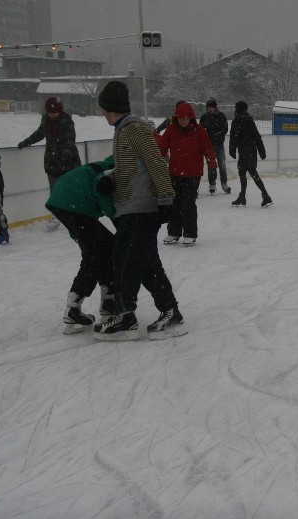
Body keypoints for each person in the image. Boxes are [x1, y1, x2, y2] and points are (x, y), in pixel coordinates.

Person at [94, 79, 186, 341]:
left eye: (102, 108)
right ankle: (171, 312)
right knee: (146, 264)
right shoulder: (124, 129)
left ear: (109, 108)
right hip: (131, 206)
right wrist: (110, 178)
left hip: (140, 208)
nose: (101, 113)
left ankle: (125, 315)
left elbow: (155, 162)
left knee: (125, 260)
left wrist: (167, 201)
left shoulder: (133, 129)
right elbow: (133, 167)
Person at [45, 156, 117, 334]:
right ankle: (78, 307)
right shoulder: (118, 167)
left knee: (104, 247)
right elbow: (103, 191)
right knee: (97, 255)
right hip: (74, 203)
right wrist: (120, 222)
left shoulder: (114, 161)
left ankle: (104, 300)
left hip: (64, 198)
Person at [157, 102, 218, 246]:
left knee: (188, 203)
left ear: (191, 118)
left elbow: (207, 148)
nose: (183, 120)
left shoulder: (200, 131)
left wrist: (212, 163)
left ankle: (190, 233)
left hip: (192, 173)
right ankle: (174, 232)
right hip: (175, 172)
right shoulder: (171, 130)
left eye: (186, 118)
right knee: (175, 203)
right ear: (176, 118)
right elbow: (162, 146)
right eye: (180, 118)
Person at [17, 96, 82, 232]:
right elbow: (40, 133)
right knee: (54, 190)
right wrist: (26, 142)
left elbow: (70, 141)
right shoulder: (45, 119)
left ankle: (77, 213)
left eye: (54, 112)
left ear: (59, 111)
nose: (52, 114)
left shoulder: (67, 121)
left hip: (69, 162)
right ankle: (57, 216)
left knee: (72, 188)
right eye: (49, 112)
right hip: (51, 162)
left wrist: (65, 159)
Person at [229, 101, 272, 208]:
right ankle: (262, 195)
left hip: (244, 150)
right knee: (251, 172)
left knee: (243, 172)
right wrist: (261, 151)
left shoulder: (237, 121)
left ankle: (246, 197)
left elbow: (234, 137)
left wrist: (232, 150)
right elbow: (257, 136)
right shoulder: (249, 120)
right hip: (251, 150)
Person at [199, 98, 230, 194]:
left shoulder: (221, 116)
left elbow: (225, 129)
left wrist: (217, 135)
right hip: (209, 146)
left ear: (215, 107)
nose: (210, 109)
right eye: (208, 108)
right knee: (211, 165)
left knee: (222, 165)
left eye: (211, 107)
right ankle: (212, 184)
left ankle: (224, 183)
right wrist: (205, 137)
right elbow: (200, 129)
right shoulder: (204, 117)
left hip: (219, 144)